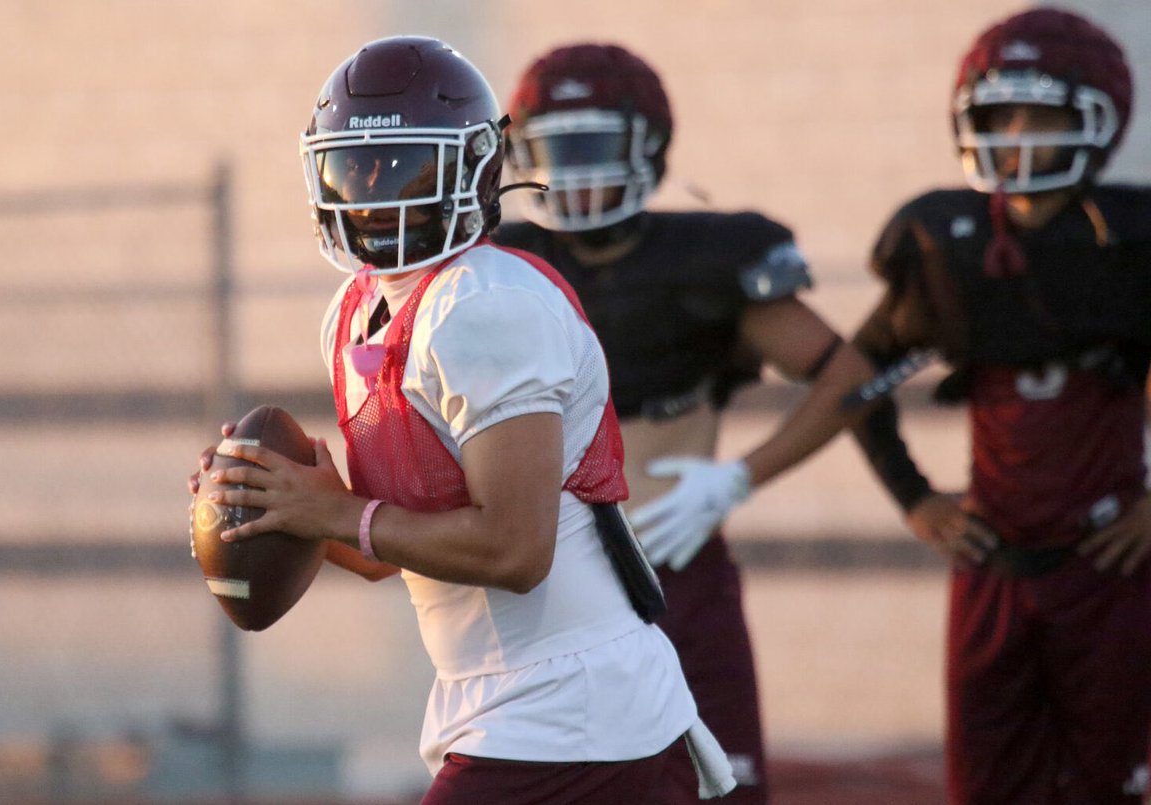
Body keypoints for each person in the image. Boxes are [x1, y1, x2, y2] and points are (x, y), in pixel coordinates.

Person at [190, 36, 736, 804]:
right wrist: (288, 506)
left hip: (573, 710)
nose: (379, 192)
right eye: (357, 169)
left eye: (406, 166)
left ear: (478, 168)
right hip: (513, 706)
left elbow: (515, 549)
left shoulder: (484, 303)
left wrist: (334, 509)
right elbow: (395, 546)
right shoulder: (354, 315)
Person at [494, 43, 877, 804]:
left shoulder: (709, 255)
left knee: (721, 787)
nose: (574, 173)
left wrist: (741, 476)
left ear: (650, 149)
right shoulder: (500, 264)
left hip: (677, 574)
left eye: (594, 149)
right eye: (554, 151)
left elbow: (852, 376)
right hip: (546, 587)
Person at [841, 8, 1151, 803]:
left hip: (1110, 562)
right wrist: (913, 497)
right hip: (994, 563)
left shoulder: (1130, 241)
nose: (1012, 134)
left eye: (1037, 115)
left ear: (1095, 120)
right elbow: (856, 380)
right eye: (996, 114)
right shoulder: (949, 242)